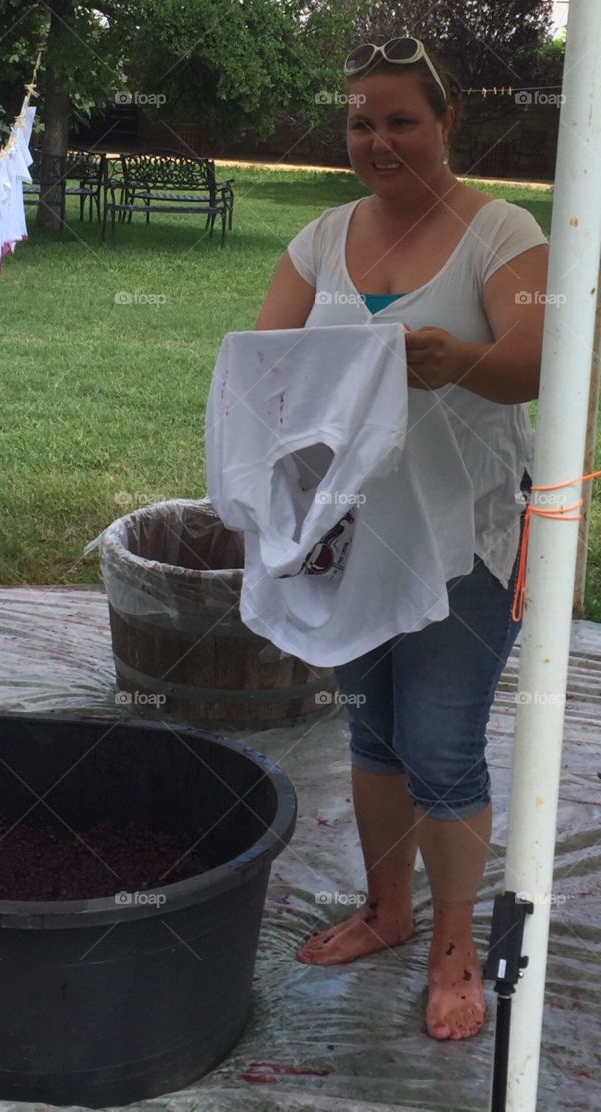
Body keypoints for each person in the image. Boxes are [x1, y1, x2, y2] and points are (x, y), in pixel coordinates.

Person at [253, 37, 548, 1041]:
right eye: (361, 122)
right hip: (350, 536)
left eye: (400, 120)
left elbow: (533, 362)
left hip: (465, 533)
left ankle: (455, 945)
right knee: (372, 727)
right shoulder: (323, 239)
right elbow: (264, 367)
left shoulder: (500, 231)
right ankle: (386, 909)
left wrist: (458, 359)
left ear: (446, 121)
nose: (378, 140)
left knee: (440, 744)